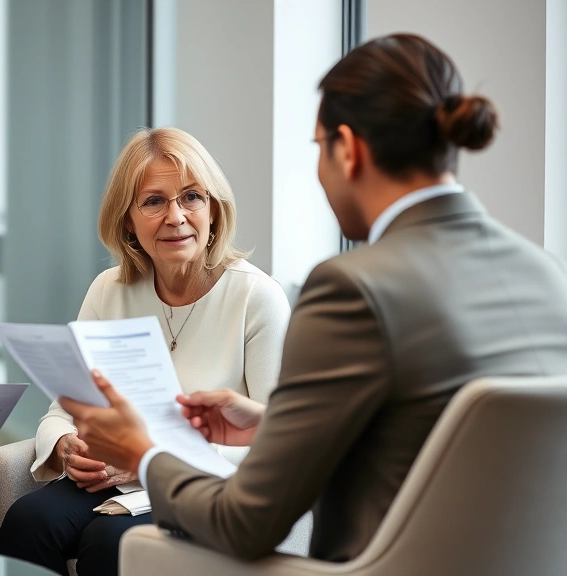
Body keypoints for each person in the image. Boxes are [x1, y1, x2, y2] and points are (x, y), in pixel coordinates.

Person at [60, 33, 567, 562]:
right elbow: (427, 437)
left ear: (347, 149)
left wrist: (143, 454)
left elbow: (244, 525)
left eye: (318, 149)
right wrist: (273, 423)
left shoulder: (353, 288)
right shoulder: (547, 276)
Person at [0, 127, 291, 574]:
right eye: (154, 201)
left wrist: (148, 457)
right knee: (28, 520)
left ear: (213, 210)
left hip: (202, 486)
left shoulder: (257, 298)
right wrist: (65, 446)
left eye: (191, 197)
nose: (175, 216)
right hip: (112, 480)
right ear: (127, 219)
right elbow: (62, 408)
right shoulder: (108, 290)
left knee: (112, 541)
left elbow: (281, 443)